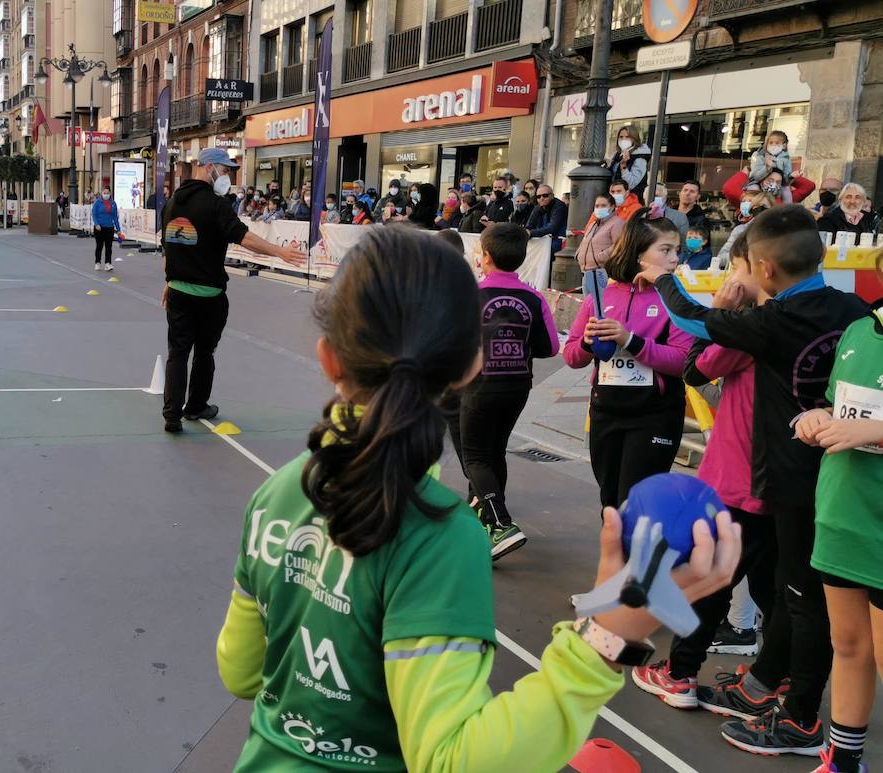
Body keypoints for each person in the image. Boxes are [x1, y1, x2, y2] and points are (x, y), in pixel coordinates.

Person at [215, 225, 740, 773]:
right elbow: (452, 762)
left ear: (329, 359)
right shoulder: (438, 537)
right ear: (470, 364)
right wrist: (606, 638)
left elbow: (242, 671)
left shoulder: (276, 493)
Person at [646, 204, 870, 756]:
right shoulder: (852, 308)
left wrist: (661, 277)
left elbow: (693, 325)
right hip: (837, 476)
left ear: (764, 271)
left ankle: (800, 719)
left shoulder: (771, 322)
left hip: (791, 480)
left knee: (803, 601)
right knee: (798, 595)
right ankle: (770, 685)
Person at [631, 236, 776, 712]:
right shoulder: (815, 317)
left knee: (711, 580)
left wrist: (718, 309)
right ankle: (776, 678)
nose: (731, 280)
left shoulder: (752, 328)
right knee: (773, 586)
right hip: (785, 479)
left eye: (735, 270)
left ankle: (681, 674)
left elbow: (698, 365)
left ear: (762, 269)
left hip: (738, 476)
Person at [794, 252, 883, 773]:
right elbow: (835, 405)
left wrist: (873, 432)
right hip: (841, 513)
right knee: (848, 645)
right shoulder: (857, 332)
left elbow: (865, 426)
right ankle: (842, 760)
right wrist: (816, 417)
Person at [159, 148, 306, 434]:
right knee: (204, 352)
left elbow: (170, 247)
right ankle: (196, 406)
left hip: (178, 291)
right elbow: (244, 237)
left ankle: (171, 415)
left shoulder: (172, 203)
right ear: (209, 168)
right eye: (225, 171)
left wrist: (169, 280)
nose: (227, 177)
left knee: (177, 353)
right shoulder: (216, 205)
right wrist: (279, 252)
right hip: (209, 295)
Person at [563, 209, 692, 509]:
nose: (675, 259)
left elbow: (683, 361)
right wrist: (587, 342)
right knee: (610, 503)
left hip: (655, 415)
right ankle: (615, 556)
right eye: (666, 250)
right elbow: (571, 356)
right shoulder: (601, 295)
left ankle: (634, 556)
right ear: (637, 253)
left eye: (677, 250)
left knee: (634, 503)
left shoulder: (676, 298)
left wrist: (629, 340)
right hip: (606, 411)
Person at [452, 223, 558, 559]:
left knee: (475, 455)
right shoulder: (534, 296)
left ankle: (501, 523)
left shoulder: (470, 295)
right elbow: (551, 347)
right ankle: (486, 518)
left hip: (478, 386)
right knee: (495, 450)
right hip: (517, 386)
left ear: (484, 256)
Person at [575, 193, 626, 282]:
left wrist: (601, 258)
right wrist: (578, 254)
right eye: (597, 206)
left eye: (603, 205)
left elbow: (620, 246)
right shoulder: (594, 224)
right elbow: (585, 241)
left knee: (598, 296)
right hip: (586, 272)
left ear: (612, 207)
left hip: (601, 273)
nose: (599, 208)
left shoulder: (617, 223)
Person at [607, 125, 652, 199]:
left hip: (632, 200)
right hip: (615, 198)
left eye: (627, 137)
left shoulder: (639, 157)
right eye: (621, 137)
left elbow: (631, 184)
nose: (623, 140)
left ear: (634, 138)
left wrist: (623, 166)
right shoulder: (618, 155)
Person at [744, 130, 793, 194]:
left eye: (777, 143)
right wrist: (767, 167)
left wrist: (791, 177)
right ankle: (746, 204)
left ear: (784, 145)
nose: (773, 145)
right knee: (752, 192)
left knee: (787, 192)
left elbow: (785, 180)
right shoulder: (759, 155)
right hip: (757, 184)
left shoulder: (786, 159)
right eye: (771, 142)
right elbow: (756, 177)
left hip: (775, 186)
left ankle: (786, 204)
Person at [526, 184, 568, 254]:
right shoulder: (538, 207)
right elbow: (530, 225)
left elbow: (552, 228)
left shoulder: (559, 206)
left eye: (545, 195)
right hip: (545, 240)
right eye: (538, 197)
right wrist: (524, 231)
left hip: (558, 240)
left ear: (552, 196)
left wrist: (530, 233)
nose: (541, 198)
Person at [91, 186, 119, 271]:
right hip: (99, 228)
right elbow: (94, 214)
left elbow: (115, 217)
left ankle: (108, 263)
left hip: (109, 227)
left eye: (107, 193)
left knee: (109, 247)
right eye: (104, 193)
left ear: (110, 193)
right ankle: (97, 262)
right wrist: (96, 224)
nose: (106, 194)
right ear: (102, 193)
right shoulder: (97, 202)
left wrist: (118, 229)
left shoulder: (113, 203)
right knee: (99, 246)